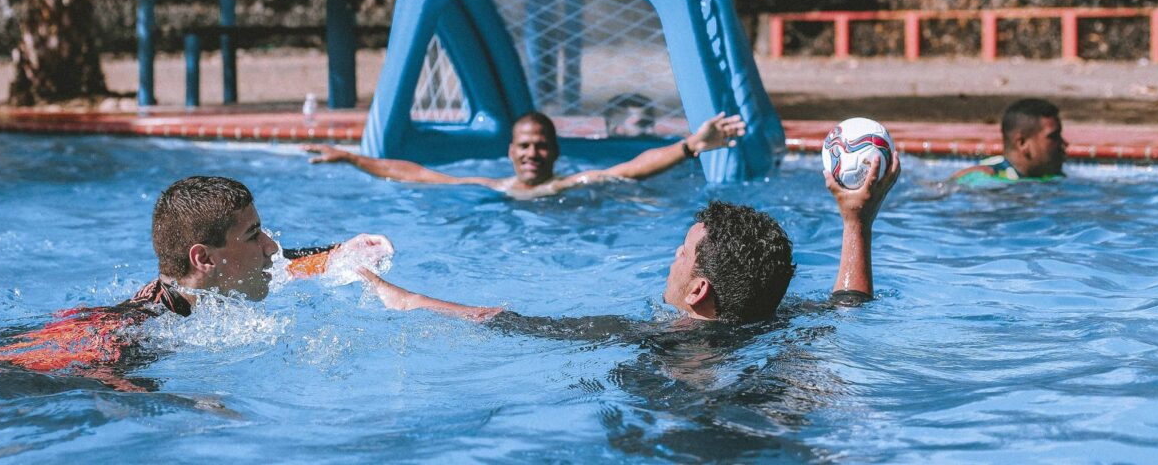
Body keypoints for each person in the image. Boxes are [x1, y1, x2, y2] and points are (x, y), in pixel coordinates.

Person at [359, 153, 901, 327]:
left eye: (683, 252)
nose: (673, 255)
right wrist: (857, 220)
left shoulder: (659, 342)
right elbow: (849, 305)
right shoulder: (779, 319)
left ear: (698, 291)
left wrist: (406, 297)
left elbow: (511, 322)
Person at [0, 176, 388, 387]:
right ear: (203, 258)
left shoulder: (208, 285)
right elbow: (94, 380)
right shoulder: (144, 326)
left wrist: (339, 251)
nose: (272, 246)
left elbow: (285, 264)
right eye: (252, 235)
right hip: (9, 371)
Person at [305, 111, 746, 198]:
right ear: (510, 152)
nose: (532, 152)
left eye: (540, 145)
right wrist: (350, 157)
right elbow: (416, 174)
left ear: (554, 152)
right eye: (524, 145)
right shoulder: (492, 186)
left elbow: (629, 169)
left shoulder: (573, 184)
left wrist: (692, 145)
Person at [950, 98, 1067, 183]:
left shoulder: (1051, 178)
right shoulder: (983, 177)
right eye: (1053, 136)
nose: (1064, 144)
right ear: (1022, 143)